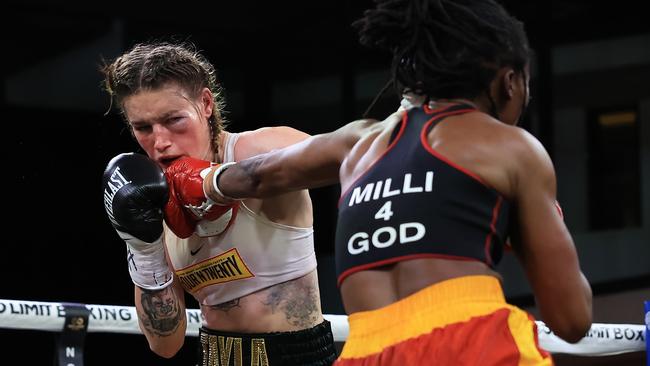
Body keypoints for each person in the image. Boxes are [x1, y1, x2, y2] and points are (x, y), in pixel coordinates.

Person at [190, 0, 594, 364]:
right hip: (473, 346)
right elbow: (571, 320)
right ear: (510, 82)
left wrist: (194, 182)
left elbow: (257, 174)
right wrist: (529, 224)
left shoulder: (355, 142)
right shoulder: (512, 147)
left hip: (366, 354)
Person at [100, 41, 337, 365]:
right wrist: (145, 250)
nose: (160, 141)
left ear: (206, 104)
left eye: (173, 120)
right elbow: (165, 343)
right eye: (143, 128)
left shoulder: (255, 150)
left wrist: (216, 183)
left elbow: (340, 158)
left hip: (296, 357)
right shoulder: (150, 198)